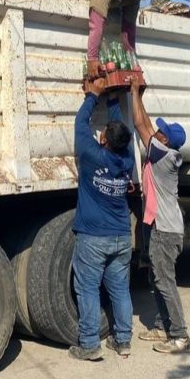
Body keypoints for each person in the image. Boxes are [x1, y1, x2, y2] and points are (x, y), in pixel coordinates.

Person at [69, 76, 136, 361]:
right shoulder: (128, 159)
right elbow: (121, 132)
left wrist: (93, 95)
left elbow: (80, 124)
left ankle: (89, 344)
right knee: (120, 288)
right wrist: (112, 99)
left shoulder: (92, 156)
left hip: (94, 237)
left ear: (104, 139)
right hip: (121, 236)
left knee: (87, 287)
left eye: (105, 133)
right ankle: (122, 341)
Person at [130, 77, 190, 354]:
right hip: (158, 225)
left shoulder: (164, 156)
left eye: (161, 131)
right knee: (156, 277)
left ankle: (180, 336)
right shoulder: (163, 150)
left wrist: (133, 91)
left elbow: (140, 125)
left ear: (165, 140)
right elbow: (146, 124)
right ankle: (161, 325)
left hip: (166, 230)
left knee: (165, 281)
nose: (156, 131)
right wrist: (140, 97)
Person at [69, 0, 155, 79]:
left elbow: (128, 29)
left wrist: (132, 63)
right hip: (73, 15)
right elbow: (96, 24)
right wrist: (92, 59)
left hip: (100, 17)